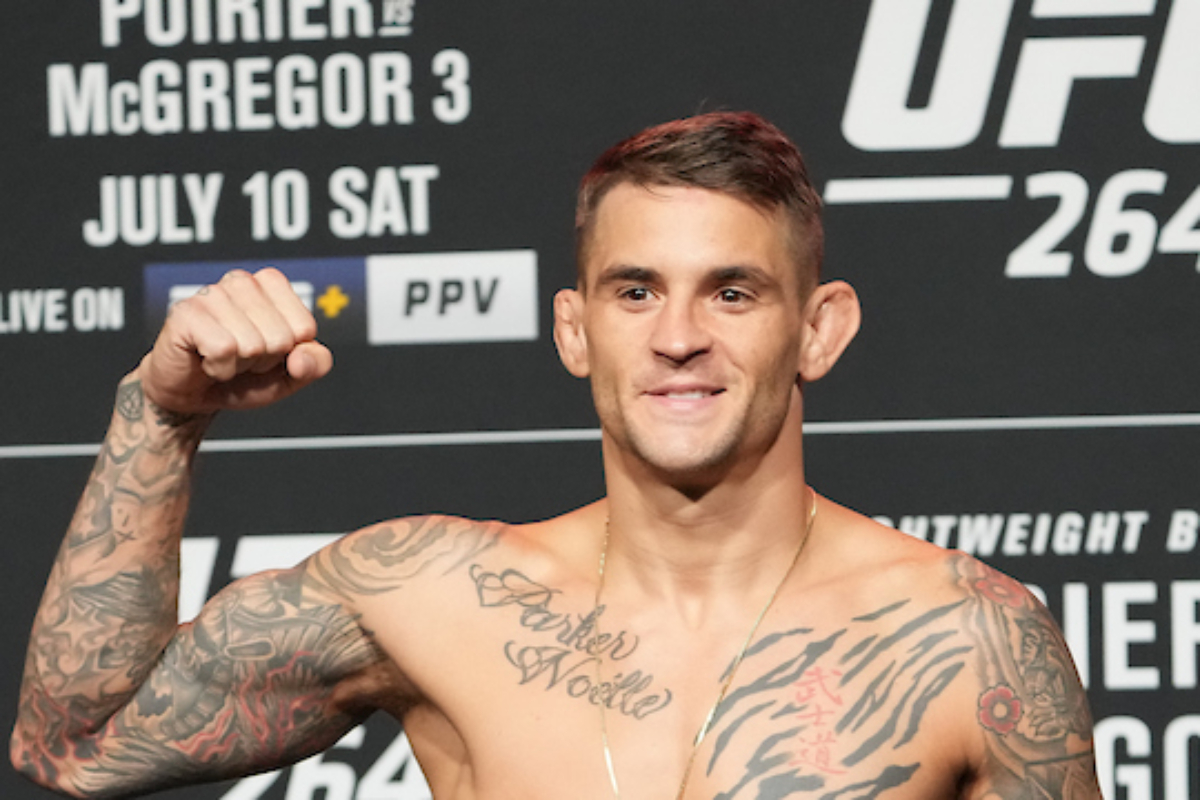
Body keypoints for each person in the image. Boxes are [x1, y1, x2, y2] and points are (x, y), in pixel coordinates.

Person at [11, 111, 1100, 800]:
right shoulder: (433, 594)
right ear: (575, 331)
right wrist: (160, 417)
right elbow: (78, 743)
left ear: (819, 329)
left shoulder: (970, 639)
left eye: (733, 291)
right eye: (636, 291)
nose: (679, 336)